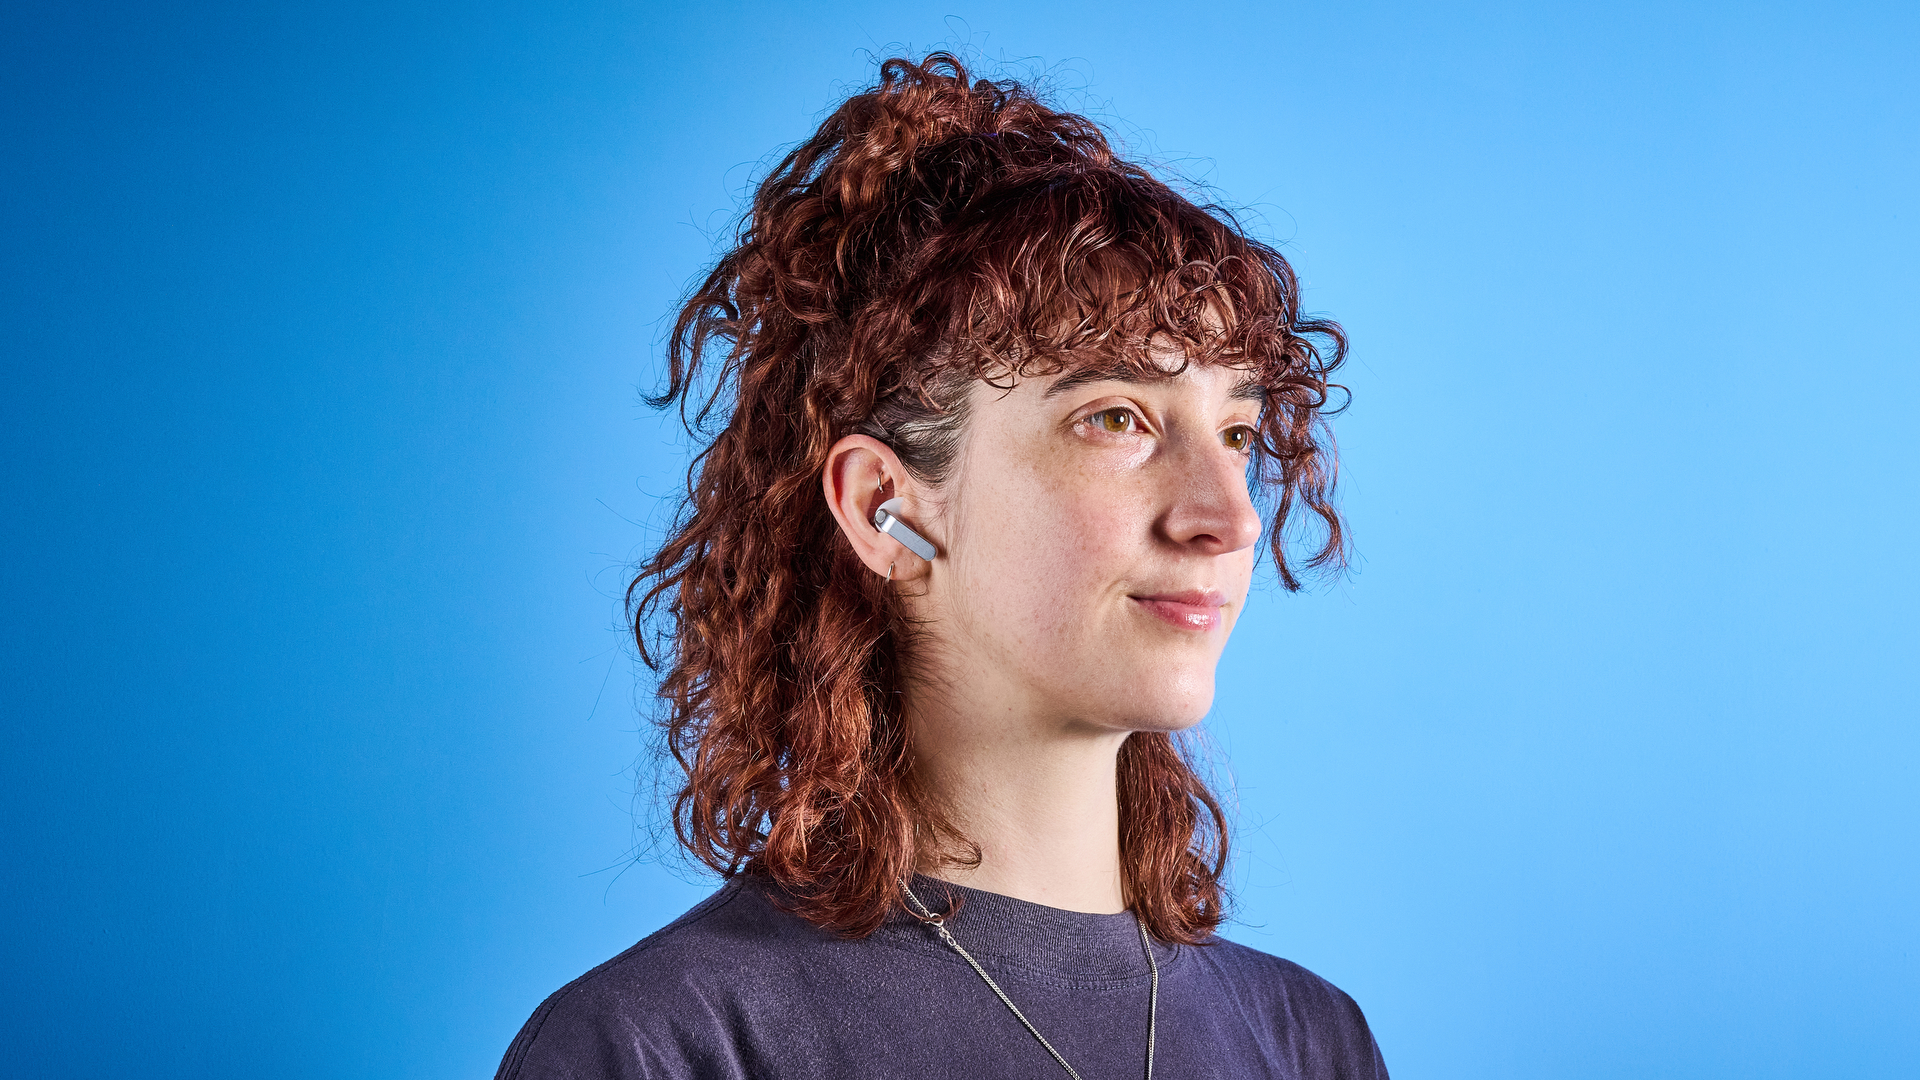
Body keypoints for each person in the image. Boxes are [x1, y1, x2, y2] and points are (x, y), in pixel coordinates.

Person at [497, 52, 1387, 1080]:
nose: (1226, 518)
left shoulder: (1313, 1042)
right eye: (1116, 418)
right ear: (887, 508)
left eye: (1236, 433)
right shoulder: (668, 1046)